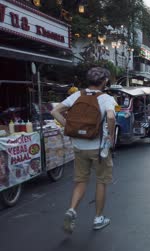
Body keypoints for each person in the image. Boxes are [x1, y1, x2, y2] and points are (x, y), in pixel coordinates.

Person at [51, 67, 117, 233]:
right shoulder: (106, 98)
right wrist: (111, 136)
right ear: (104, 81)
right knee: (101, 181)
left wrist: (69, 126)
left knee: (81, 181)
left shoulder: (77, 95)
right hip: (98, 148)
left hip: (79, 146)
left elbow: (55, 111)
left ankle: (72, 210)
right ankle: (98, 218)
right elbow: (110, 116)